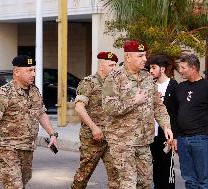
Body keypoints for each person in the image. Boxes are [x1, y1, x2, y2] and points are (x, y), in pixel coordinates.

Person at [102, 40, 174, 189]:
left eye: (145, 55)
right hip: (122, 142)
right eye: (140, 56)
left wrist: (166, 125)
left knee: (145, 183)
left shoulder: (147, 77)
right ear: (128, 57)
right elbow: (109, 107)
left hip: (143, 141)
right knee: (128, 184)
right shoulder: (114, 78)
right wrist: (134, 101)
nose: (145, 59)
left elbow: (157, 106)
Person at [0, 55, 58, 189]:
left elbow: (41, 113)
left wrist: (52, 134)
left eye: (34, 70)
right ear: (17, 72)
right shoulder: (3, 93)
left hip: (27, 148)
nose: (33, 74)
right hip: (7, 149)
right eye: (29, 71)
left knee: (23, 182)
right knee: (15, 186)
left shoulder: (34, 91)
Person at [172, 54, 208, 189]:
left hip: (202, 139)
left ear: (193, 68)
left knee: (203, 180)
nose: (180, 70)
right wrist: (176, 137)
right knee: (189, 179)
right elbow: (175, 114)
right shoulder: (180, 87)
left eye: (183, 68)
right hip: (183, 140)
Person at [71, 52, 119, 189]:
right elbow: (79, 108)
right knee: (84, 173)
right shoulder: (88, 83)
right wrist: (94, 128)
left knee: (116, 173)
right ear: (102, 66)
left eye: (115, 65)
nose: (114, 68)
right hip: (92, 137)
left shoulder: (114, 84)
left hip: (111, 137)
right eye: (111, 65)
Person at [148, 54, 178, 189]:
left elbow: (177, 114)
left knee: (167, 171)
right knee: (155, 171)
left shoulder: (174, 86)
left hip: (166, 136)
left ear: (163, 69)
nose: (151, 71)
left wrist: (175, 136)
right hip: (150, 135)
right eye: (149, 68)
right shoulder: (149, 86)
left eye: (153, 68)